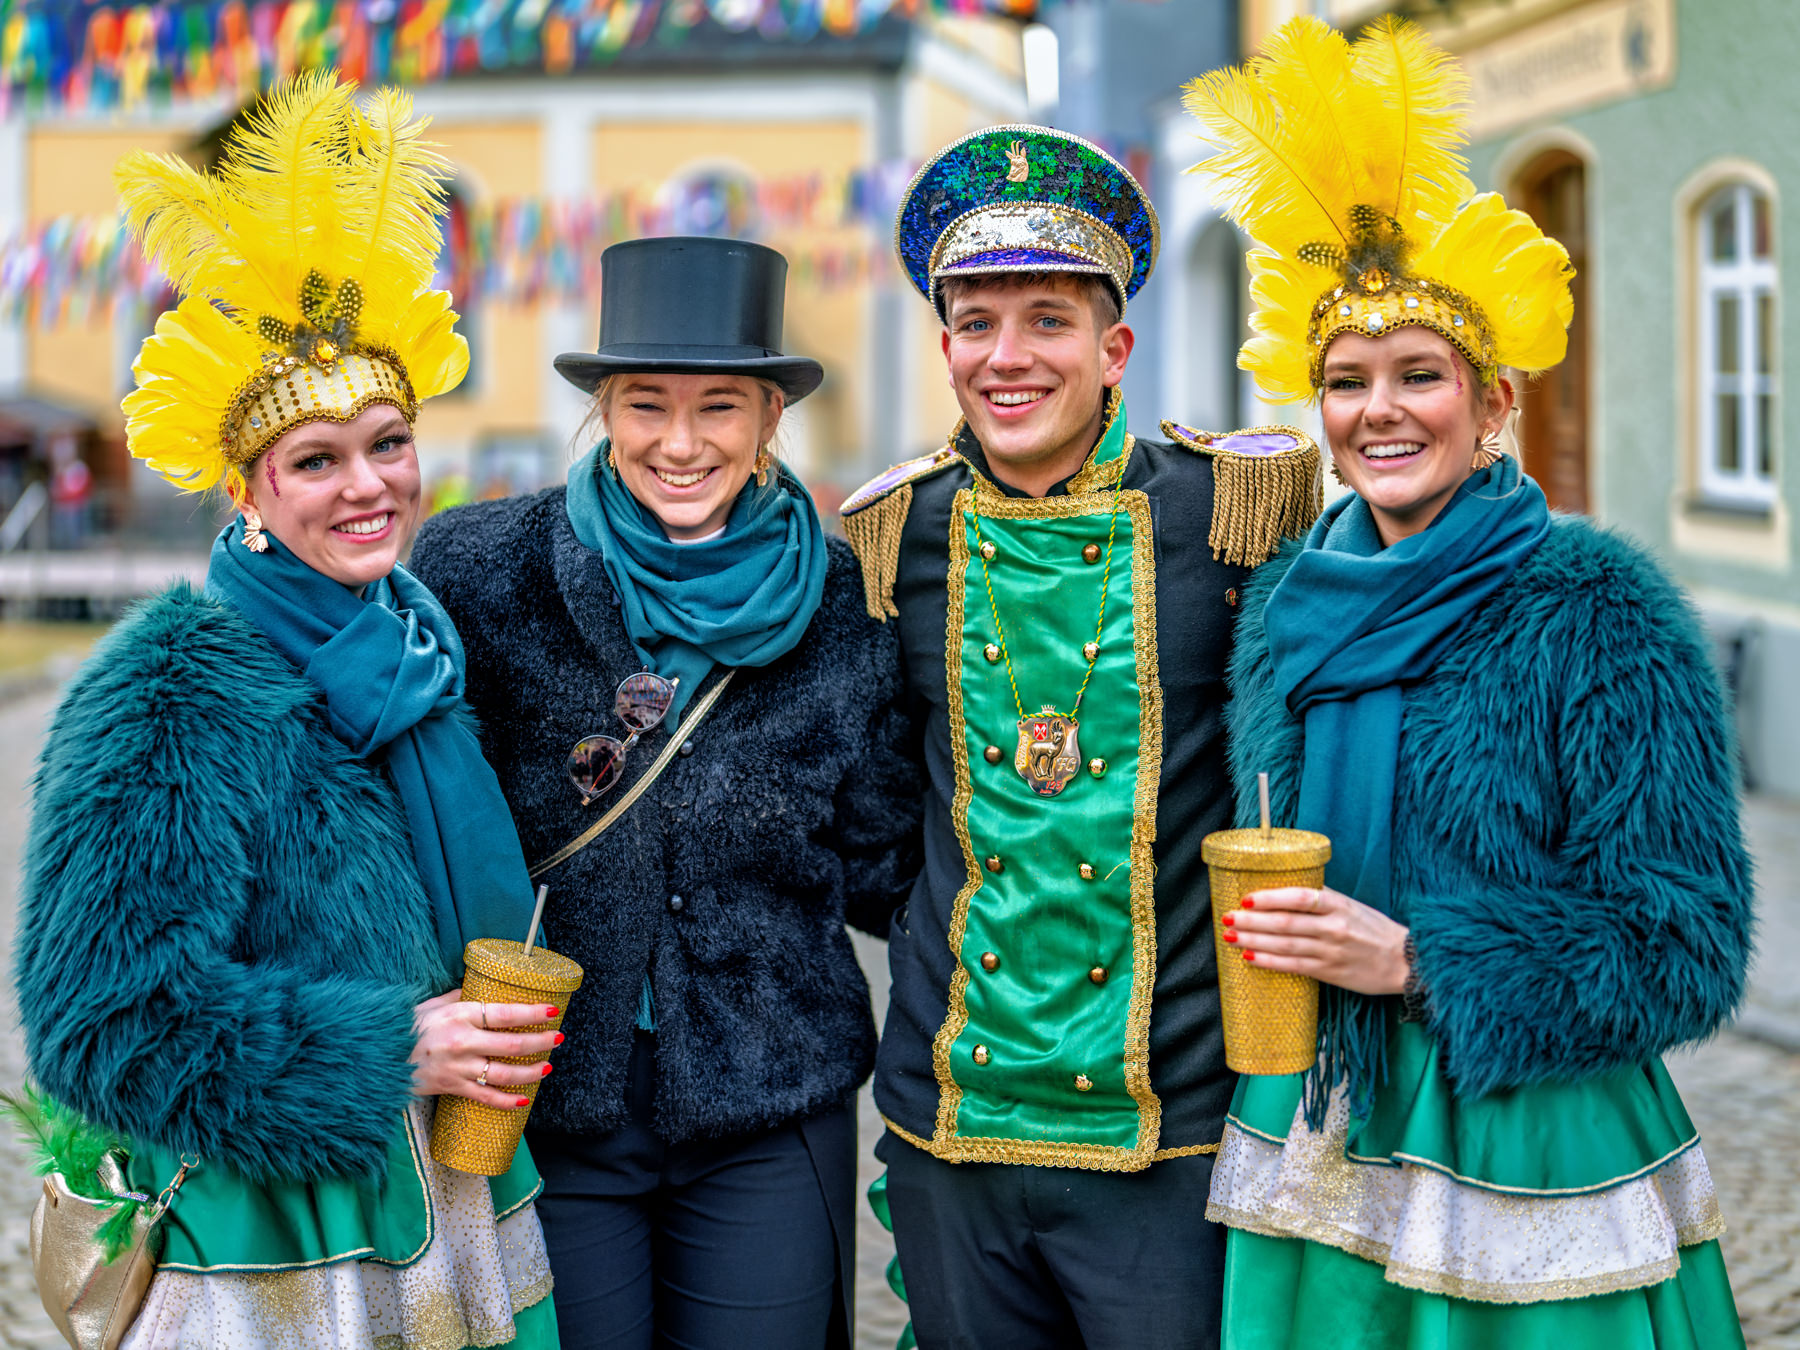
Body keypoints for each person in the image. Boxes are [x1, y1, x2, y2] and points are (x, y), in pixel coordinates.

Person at [1184, 18, 1752, 1347]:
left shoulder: (1597, 607)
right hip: (1315, 1121)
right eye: (1347, 380)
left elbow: (1689, 941)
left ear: (1493, 402)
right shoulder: (1284, 608)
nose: (1379, 409)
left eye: (1419, 376)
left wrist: (1418, 959)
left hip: (1521, 1133)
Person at [14, 74, 560, 1348]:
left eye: (389, 443)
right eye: (316, 461)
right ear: (249, 493)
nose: (368, 486)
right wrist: (391, 1052)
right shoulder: (169, 688)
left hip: (457, 1196)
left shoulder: (422, 644)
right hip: (275, 1242)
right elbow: (99, 1022)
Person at [839, 126, 1322, 1348]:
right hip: (956, 1109)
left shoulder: (1232, 511)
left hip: (1176, 1112)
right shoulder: (897, 534)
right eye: (976, 324)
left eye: (1047, 321)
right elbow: (878, 808)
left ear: (1115, 350)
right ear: (946, 347)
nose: (1007, 357)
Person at [406, 235, 922, 1350]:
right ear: (604, 408)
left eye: (719, 407)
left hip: (769, 1098)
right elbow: (402, 804)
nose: (680, 444)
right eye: (646, 404)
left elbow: (891, 862)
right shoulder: (480, 570)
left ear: (770, 417)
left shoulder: (846, 603)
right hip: (546, 1100)